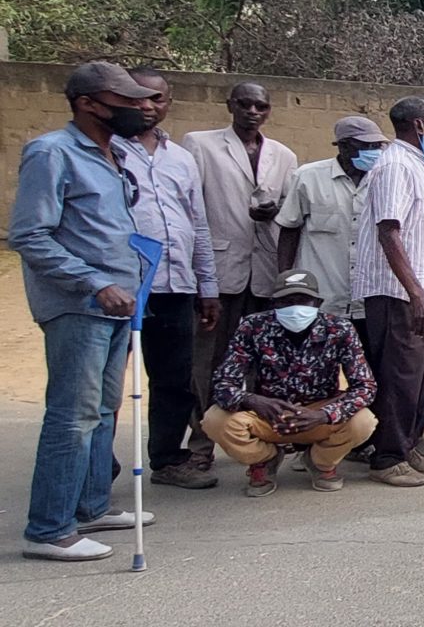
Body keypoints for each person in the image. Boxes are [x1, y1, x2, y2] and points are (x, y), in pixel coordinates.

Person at [13, 61, 158, 561]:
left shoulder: (116, 154)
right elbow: (30, 235)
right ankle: (49, 529)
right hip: (80, 306)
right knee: (71, 416)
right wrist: (96, 284)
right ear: (88, 104)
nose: (142, 107)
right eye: (127, 100)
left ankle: (91, 506)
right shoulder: (51, 153)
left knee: (102, 412)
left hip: (121, 305)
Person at [113, 68, 221, 491]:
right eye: (138, 98)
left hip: (176, 285)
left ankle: (167, 459)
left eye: (156, 98)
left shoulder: (181, 158)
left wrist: (206, 286)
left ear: (168, 102)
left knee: (174, 378)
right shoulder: (110, 152)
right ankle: (96, 468)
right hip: (122, 285)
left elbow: (197, 225)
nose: (147, 106)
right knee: (106, 384)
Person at [183, 81, 297, 470]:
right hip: (219, 271)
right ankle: (201, 443)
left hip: (264, 271)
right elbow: (192, 208)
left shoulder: (283, 155)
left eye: (260, 106)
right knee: (209, 362)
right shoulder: (201, 145)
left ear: (269, 111)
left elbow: (291, 209)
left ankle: (261, 440)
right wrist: (200, 277)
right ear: (230, 104)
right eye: (245, 104)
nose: (253, 112)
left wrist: (274, 213)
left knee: (263, 362)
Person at [203, 269, 378, 497]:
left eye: (303, 300)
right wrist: (252, 400)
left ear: (317, 302)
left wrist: (325, 414)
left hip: (318, 415)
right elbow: (223, 384)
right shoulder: (252, 327)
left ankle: (320, 462)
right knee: (214, 420)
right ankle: (265, 459)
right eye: (286, 301)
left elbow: (365, 387)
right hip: (267, 415)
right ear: (273, 304)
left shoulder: (339, 328)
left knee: (364, 421)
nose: (295, 308)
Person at [351, 96, 424, 488]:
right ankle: (386, 456)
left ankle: (406, 445)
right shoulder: (393, 166)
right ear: (420, 126)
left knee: (419, 379)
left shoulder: (418, 164)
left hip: (421, 292)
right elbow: (388, 231)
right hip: (398, 294)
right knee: (397, 376)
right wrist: (416, 293)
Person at [277, 117, 388, 330]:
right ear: (344, 146)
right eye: (366, 146)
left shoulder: (384, 179)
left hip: (369, 299)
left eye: (378, 146)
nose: (374, 151)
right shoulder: (308, 177)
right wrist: (286, 280)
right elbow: (289, 229)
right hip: (321, 298)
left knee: (366, 362)